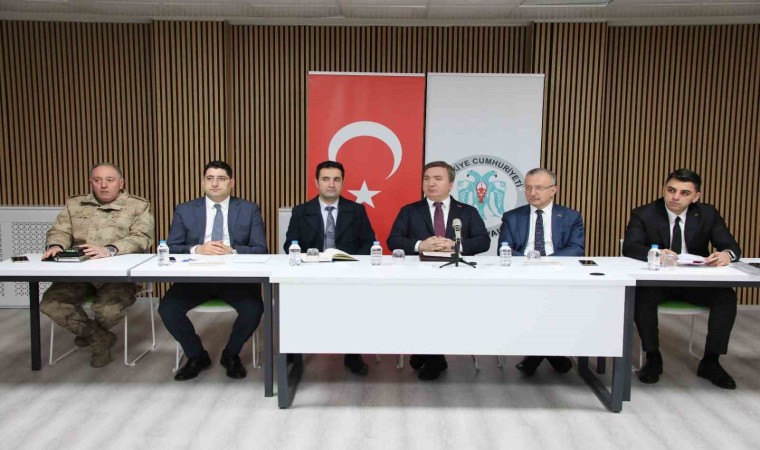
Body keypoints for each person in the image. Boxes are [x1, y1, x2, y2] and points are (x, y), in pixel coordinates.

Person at [623, 168, 741, 390]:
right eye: (671, 190)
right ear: (663, 190)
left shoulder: (707, 214)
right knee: (641, 297)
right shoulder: (644, 213)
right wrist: (656, 253)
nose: (675, 197)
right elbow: (630, 247)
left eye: (684, 193)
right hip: (659, 282)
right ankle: (653, 357)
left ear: (696, 196)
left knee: (726, 297)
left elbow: (732, 247)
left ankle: (711, 361)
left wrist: (726, 255)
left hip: (696, 282)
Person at [158, 161, 267, 381]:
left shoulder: (249, 209)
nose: (215, 183)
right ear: (203, 182)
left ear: (232, 182)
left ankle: (231, 354)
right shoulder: (185, 209)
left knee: (254, 309)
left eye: (221, 178)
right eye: (210, 178)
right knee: (168, 308)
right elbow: (172, 246)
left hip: (236, 279)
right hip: (196, 278)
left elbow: (260, 249)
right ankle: (196, 355)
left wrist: (232, 251)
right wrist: (198, 249)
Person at [40, 163, 155, 368]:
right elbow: (60, 231)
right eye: (97, 180)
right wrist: (56, 245)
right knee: (51, 305)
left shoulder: (137, 206)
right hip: (78, 273)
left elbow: (142, 237)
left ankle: (90, 334)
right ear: (91, 182)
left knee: (108, 311)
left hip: (118, 276)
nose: (103, 185)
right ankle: (99, 337)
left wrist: (110, 249)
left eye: (109, 180)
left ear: (121, 183)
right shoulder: (75, 204)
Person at [387, 161, 490, 381]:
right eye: (426, 179)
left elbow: (483, 241)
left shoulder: (467, 211)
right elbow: (393, 240)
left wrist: (457, 245)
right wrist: (420, 245)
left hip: (456, 276)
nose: (431, 183)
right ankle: (434, 358)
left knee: (442, 310)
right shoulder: (410, 211)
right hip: (418, 277)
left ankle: (428, 355)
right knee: (424, 309)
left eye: (437, 178)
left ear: (450, 184)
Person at [284, 160, 377, 375]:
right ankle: (294, 349)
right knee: (291, 298)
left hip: (348, 273)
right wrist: (311, 258)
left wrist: (350, 262)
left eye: (336, 179)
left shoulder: (356, 210)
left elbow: (369, 243)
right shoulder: (301, 211)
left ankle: (353, 354)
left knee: (358, 303)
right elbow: (289, 245)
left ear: (343, 182)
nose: (331, 184)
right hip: (311, 273)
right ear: (316, 182)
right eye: (325, 179)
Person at [497, 168, 585, 376]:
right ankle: (552, 356)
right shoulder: (512, 217)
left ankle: (535, 358)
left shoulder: (571, 216)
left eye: (538, 188)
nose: (532, 193)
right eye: (528, 188)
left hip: (558, 273)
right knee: (530, 306)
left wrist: (544, 262)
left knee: (553, 306)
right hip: (522, 273)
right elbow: (504, 248)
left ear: (553, 190)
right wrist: (529, 263)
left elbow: (576, 249)